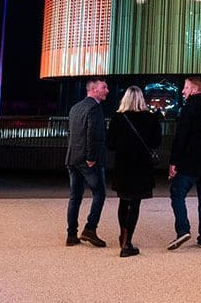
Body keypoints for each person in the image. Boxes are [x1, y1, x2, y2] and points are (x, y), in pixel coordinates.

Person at [106, 85, 161, 257]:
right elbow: (156, 142)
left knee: (123, 202)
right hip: (142, 166)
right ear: (141, 99)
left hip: (122, 165)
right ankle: (127, 242)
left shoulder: (117, 118)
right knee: (135, 204)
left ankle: (123, 235)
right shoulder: (151, 118)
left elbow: (110, 144)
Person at [168, 76, 201, 250]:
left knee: (177, 192)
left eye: (186, 88)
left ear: (194, 89)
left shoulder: (189, 108)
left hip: (189, 161)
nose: (183, 91)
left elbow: (180, 137)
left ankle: (183, 229)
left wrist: (174, 162)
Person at [65, 78, 109, 247]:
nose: (107, 91)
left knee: (74, 197)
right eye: (104, 87)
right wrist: (91, 157)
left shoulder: (75, 108)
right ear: (93, 89)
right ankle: (90, 228)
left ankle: (71, 234)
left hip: (72, 158)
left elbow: (72, 133)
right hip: (88, 160)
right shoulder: (95, 108)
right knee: (100, 193)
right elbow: (94, 134)